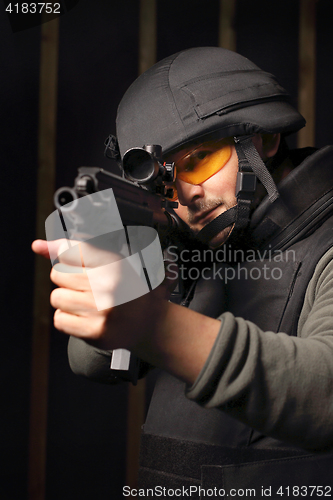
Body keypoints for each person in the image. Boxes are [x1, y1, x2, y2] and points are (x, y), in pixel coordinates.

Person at [32, 47, 333, 496]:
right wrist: (109, 283)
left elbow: (323, 394)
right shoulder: (194, 245)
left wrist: (157, 326)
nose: (187, 194)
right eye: (165, 181)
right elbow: (96, 364)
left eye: (200, 160)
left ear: (265, 139)